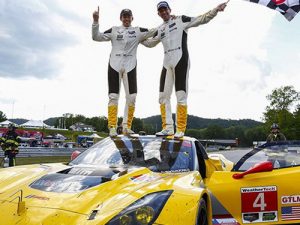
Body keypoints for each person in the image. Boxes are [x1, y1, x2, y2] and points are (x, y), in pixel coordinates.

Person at [142, 1, 227, 138]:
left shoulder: (181, 19)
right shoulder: (160, 28)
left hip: (181, 60)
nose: (164, 12)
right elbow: (151, 43)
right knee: (163, 96)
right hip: (166, 63)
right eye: (161, 11)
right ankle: (168, 128)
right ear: (158, 13)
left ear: (170, 10)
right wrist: (137, 39)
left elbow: (201, 19)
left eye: (165, 9)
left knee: (181, 95)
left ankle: (180, 128)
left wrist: (216, 10)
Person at [92, 7, 157, 137]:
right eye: (124, 16)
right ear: (120, 18)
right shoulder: (114, 30)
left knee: (132, 98)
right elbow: (96, 37)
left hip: (130, 67)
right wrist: (95, 21)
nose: (126, 18)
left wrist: (167, 24)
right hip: (114, 66)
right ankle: (112, 127)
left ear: (132, 18)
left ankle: (126, 126)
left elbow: (154, 32)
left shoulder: (138, 31)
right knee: (113, 97)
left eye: (128, 16)